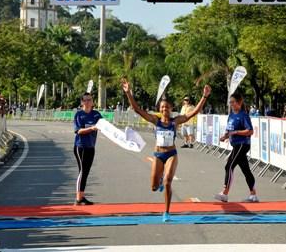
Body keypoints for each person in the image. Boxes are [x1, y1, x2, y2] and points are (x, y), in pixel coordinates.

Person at [122, 78, 211, 222]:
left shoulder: (174, 121)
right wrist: (128, 93)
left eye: (167, 107)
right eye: (162, 107)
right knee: (153, 187)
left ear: (170, 109)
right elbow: (137, 109)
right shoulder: (155, 120)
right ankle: (160, 179)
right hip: (158, 155)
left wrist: (204, 96)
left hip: (171, 154)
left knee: (168, 182)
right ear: (159, 109)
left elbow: (193, 113)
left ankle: (167, 212)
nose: (165, 109)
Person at [214, 93, 259, 203]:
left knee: (229, 166)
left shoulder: (243, 115)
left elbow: (250, 131)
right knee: (246, 170)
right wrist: (225, 136)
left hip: (242, 144)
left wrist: (237, 132)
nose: (231, 104)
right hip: (235, 144)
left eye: (233, 102)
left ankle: (225, 193)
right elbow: (229, 130)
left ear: (239, 103)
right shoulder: (231, 115)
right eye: (230, 102)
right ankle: (253, 195)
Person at [73, 93, 102, 205]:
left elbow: (104, 126)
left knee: (86, 172)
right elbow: (79, 131)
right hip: (80, 147)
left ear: (92, 102)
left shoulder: (96, 115)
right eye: (85, 100)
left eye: (89, 100)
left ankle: (82, 196)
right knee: (82, 171)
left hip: (91, 147)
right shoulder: (79, 115)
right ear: (82, 102)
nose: (87, 102)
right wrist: (92, 128)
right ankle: (78, 198)